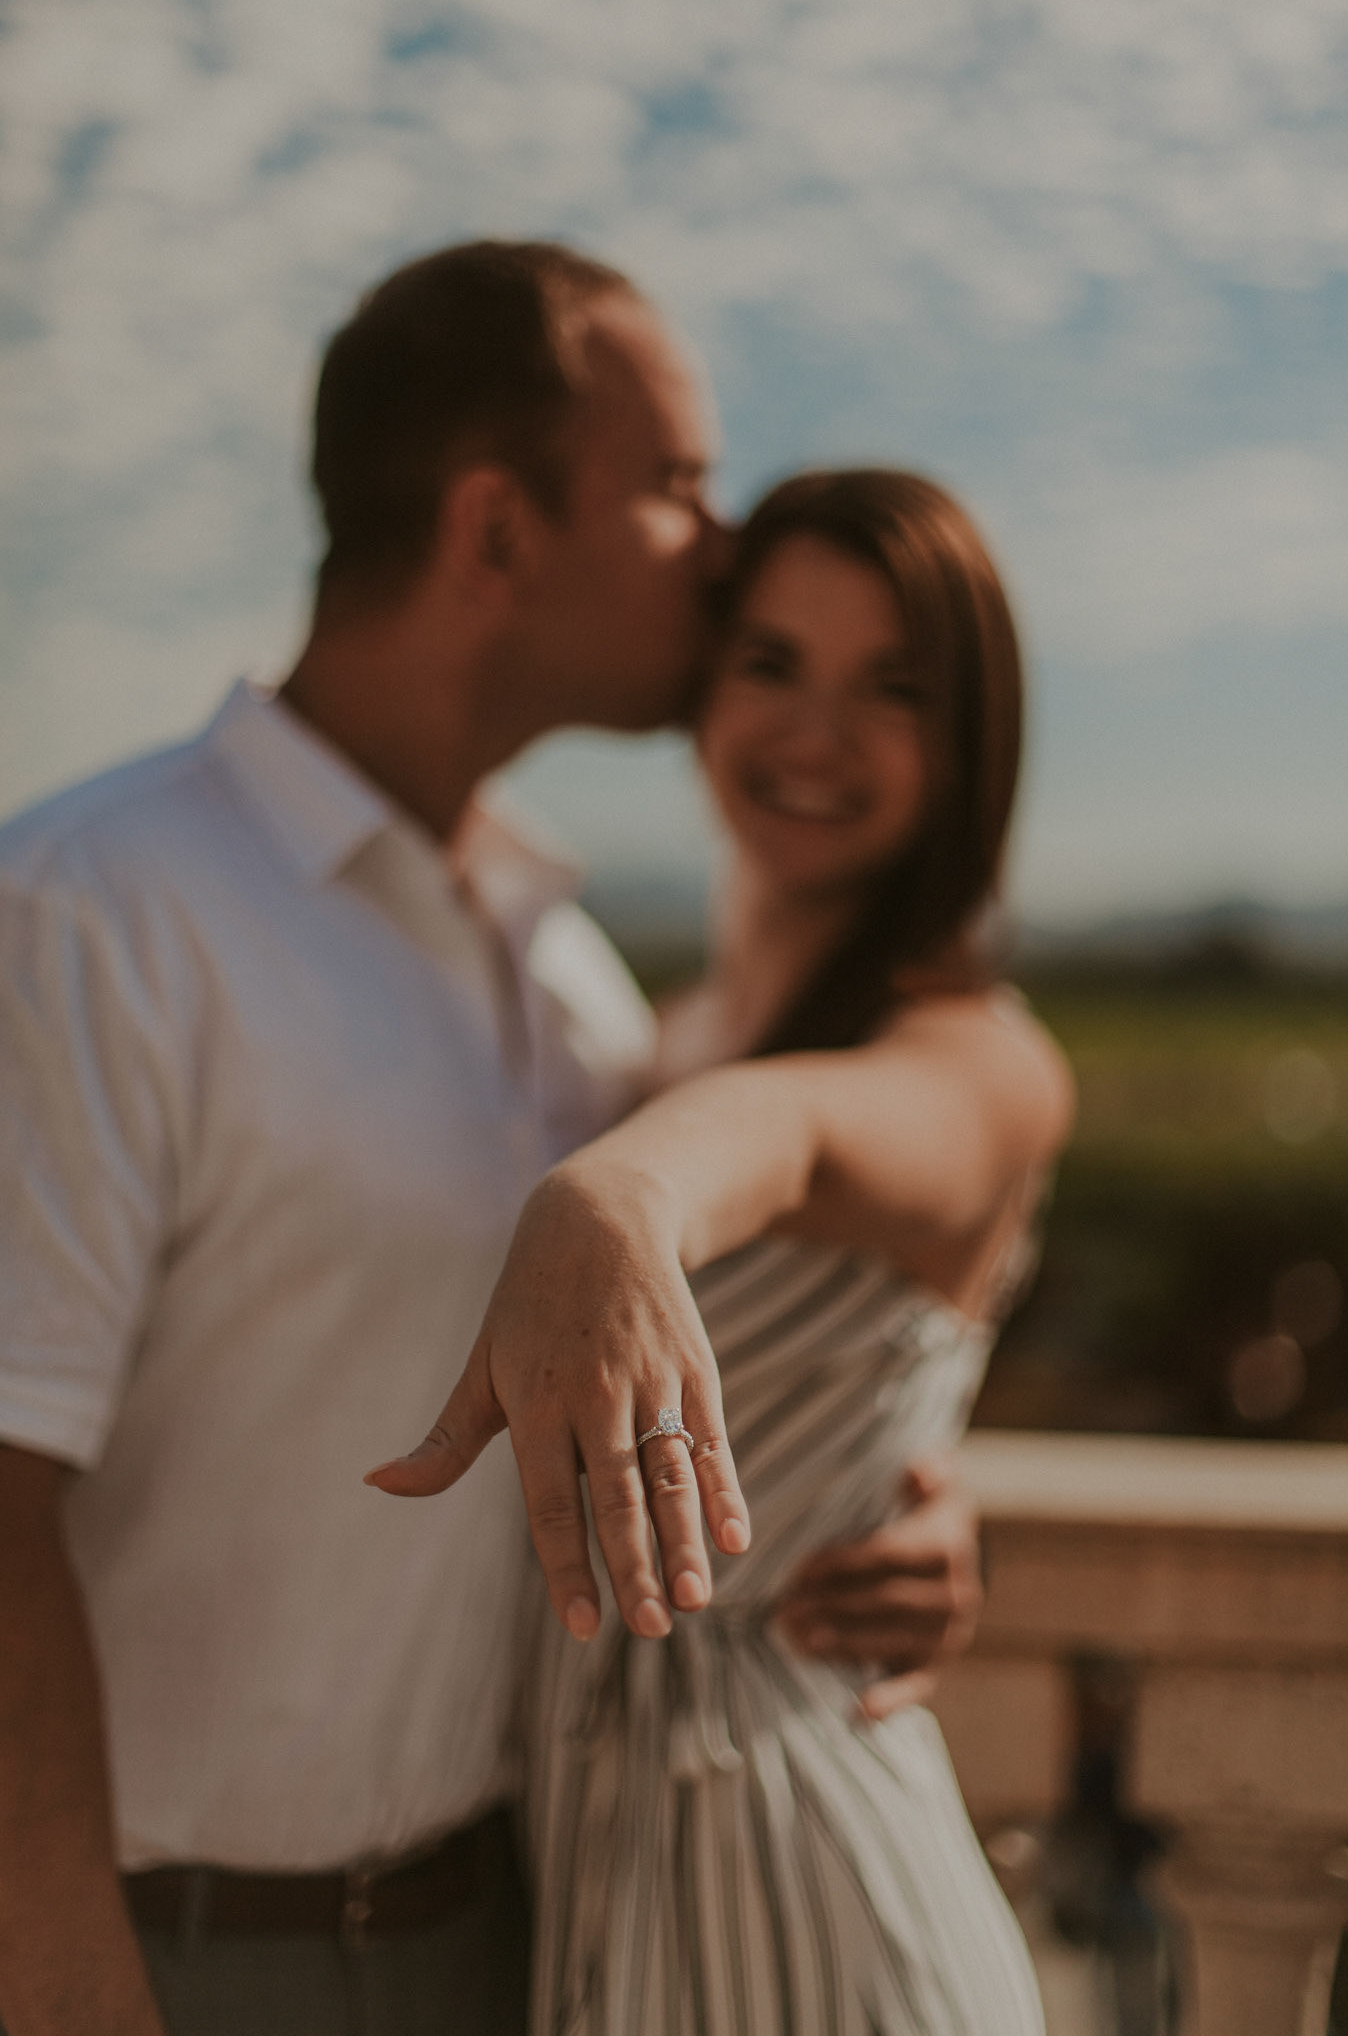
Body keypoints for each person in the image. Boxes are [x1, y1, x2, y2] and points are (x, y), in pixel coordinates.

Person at [0, 244, 982, 2036]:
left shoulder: (574, 978)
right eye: (677, 482)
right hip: (168, 1962)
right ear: (496, 530)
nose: (725, 531)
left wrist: (894, 1495)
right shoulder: (92, 908)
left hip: (515, 1943)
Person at [371, 469, 1073, 2032]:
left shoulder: (977, 1057)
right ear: (700, 691)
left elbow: (801, 1134)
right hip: (592, 1898)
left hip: (808, 1908)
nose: (814, 733)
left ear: (973, 742)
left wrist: (614, 1203)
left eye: (893, 688)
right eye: (770, 663)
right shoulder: (647, 1032)